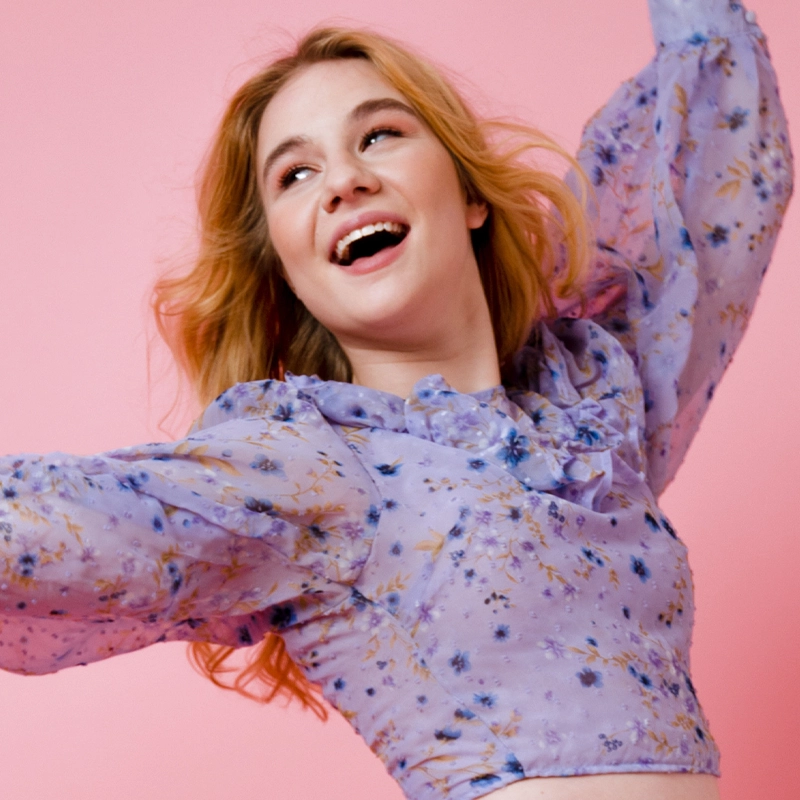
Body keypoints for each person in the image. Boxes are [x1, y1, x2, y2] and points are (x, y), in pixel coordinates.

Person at [0, 0, 792, 798]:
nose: (344, 181)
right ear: (286, 272)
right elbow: (53, 525)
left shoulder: (592, 399)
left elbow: (715, 163)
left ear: (471, 194)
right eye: (295, 175)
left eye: (379, 135)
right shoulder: (314, 466)